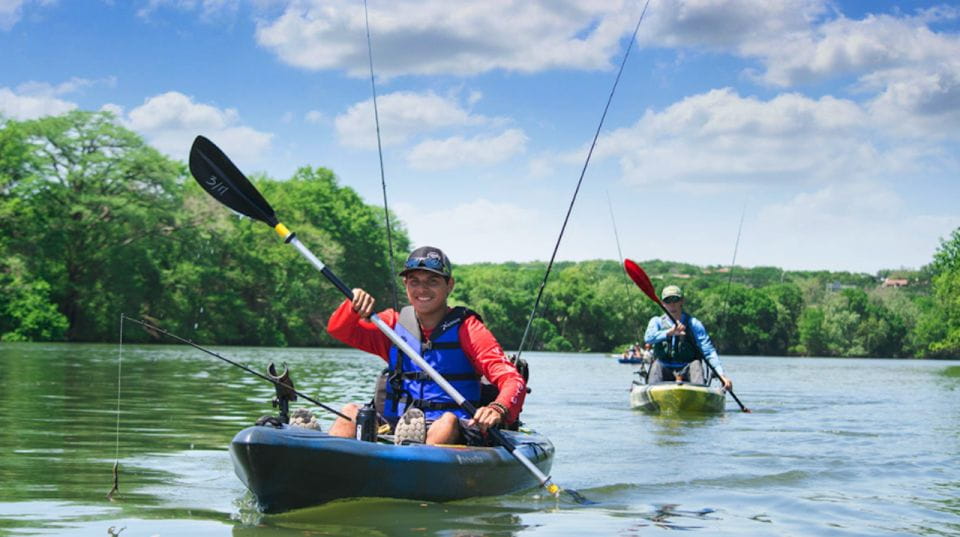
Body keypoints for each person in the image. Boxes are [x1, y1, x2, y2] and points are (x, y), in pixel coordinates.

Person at [326, 246, 526, 446]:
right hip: (396, 423)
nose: (422, 289)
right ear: (405, 285)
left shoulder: (469, 329)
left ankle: (412, 459)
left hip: (454, 426)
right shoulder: (392, 325)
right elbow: (340, 330)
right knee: (349, 413)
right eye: (415, 281)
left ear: (449, 285)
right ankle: (325, 468)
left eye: (433, 281)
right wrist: (352, 307)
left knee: (446, 423)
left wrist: (498, 408)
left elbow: (512, 379)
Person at [643, 285, 733, 390]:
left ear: (682, 301)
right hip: (663, 366)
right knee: (657, 364)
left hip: (688, 367)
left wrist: (721, 375)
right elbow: (648, 338)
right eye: (668, 301)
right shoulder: (656, 321)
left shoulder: (693, 324)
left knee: (696, 364)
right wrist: (669, 332)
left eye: (675, 300)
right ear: (663, 304)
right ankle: (653, 392)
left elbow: (708, 352)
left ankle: (699, 392)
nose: (672, 304)